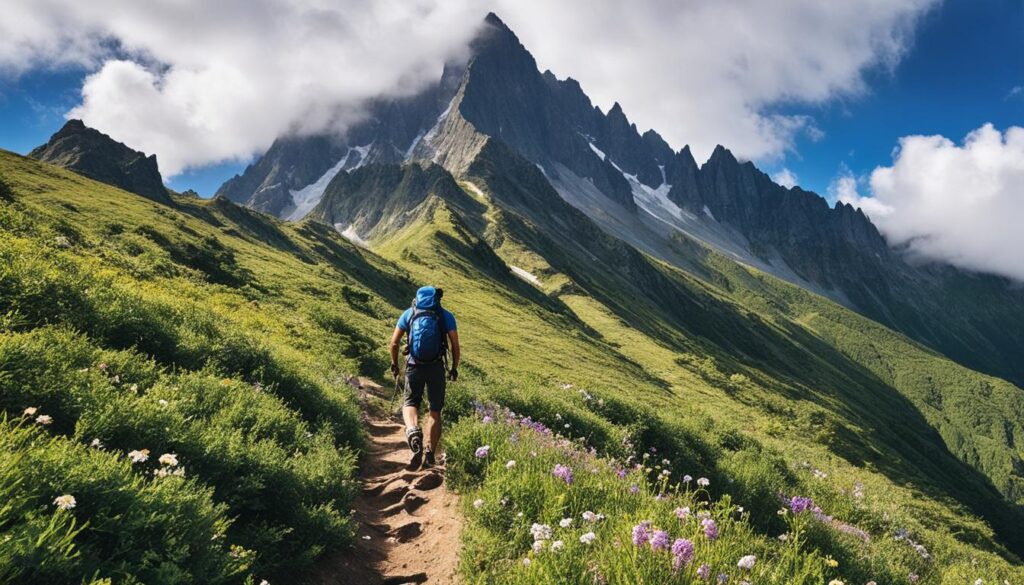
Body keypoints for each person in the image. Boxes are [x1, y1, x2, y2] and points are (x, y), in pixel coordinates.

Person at [389, 285, 460, 469]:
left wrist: (395, 364)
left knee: (410, 403)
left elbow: (394, 342)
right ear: (437, 299)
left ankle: (412, 430)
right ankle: (429, 454)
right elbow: (455, 345)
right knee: (435, 411)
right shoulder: (446, 316)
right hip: (436, 366)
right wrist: (453, 368)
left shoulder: (409, 313)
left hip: (414, 365)